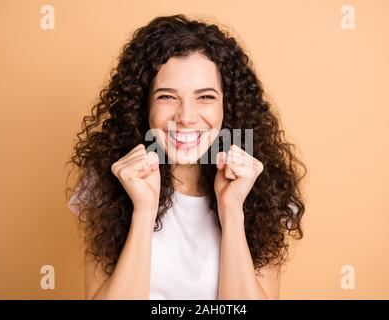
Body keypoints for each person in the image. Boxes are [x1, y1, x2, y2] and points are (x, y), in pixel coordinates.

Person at [66, 14, 306, 300]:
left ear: (227, 108)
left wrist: (232, 211)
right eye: (167, 97)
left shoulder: (264, 188)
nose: (186, 117)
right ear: (143, 107)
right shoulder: (108, 180)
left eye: (205, 97)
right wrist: (143, 211)